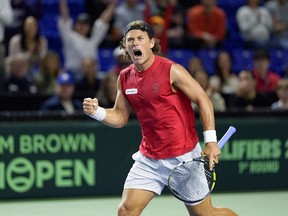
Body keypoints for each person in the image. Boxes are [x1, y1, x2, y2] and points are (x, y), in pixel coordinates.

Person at [83, 20, 237, 216]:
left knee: (205, 215)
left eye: (140, 38)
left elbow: (203, 99)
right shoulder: (124, 77)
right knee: (126, 211)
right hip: (150, 159)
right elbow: (120, 116)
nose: (135, 43)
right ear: (125, 46)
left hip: (184, 157)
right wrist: (97, 112)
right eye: (130, 40)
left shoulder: (172, 70)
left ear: (152, 43)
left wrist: (211, 141)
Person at [58, 0, 117, 79]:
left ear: (89, 27)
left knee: (107, 78)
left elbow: (102, 22)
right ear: (75, 25)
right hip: (73, 74)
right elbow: (65, 18)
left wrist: (112, 5)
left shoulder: (93, 40)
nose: (82, 26)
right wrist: (63, 2)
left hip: (92, 75)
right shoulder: (69, 37)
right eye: (79, 23)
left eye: (85, 24)